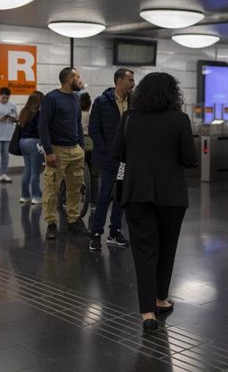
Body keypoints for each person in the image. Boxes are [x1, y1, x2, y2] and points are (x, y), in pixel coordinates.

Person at [113, 72, 197, 332]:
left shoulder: (128, 119)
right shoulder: (180, 120)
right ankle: (161, 298)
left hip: (136, 194)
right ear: (172, 94)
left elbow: (118, 156)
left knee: (144, 253)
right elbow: (190, 159)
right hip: (171, 196)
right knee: (167, 249)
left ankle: (147, 312)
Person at [38, 67, 89, 240]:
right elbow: (43, 125)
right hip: (57, 151)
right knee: (52, 188)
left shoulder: (76, 98)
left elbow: (77, 124)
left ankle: (73, 220)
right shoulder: (51, 98)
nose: (80, 80)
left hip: (75, 150)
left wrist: (81, 147)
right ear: (69, 80)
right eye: (78, 77)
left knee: (75, 188)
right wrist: (49, 151)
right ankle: (51, 223)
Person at [88, 68, 135, 251]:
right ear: (119, 81)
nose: (133, 83)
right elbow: (94, 129)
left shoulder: (133, 102)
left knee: (120, 196)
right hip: (108, 160)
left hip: (125, 161)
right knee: (104, 195)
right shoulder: (101, 102)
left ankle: (114, 231)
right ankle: (96, 234)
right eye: (130, 80)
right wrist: (107, 150)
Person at [17, 91, 45, 204]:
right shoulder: (38, 113)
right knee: (35, 172)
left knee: (27, 169)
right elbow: (41, 129)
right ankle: (36, 196)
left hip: (22, 142)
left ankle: (24, 196)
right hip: (34, 143)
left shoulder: (24, 111)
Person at [80, 92, 99, 210]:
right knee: (94, 175)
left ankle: (63, 199)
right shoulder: (91, 116)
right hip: (91, 144)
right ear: (89, 105)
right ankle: (94, 202)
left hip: (78, 144)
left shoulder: (75, 116)